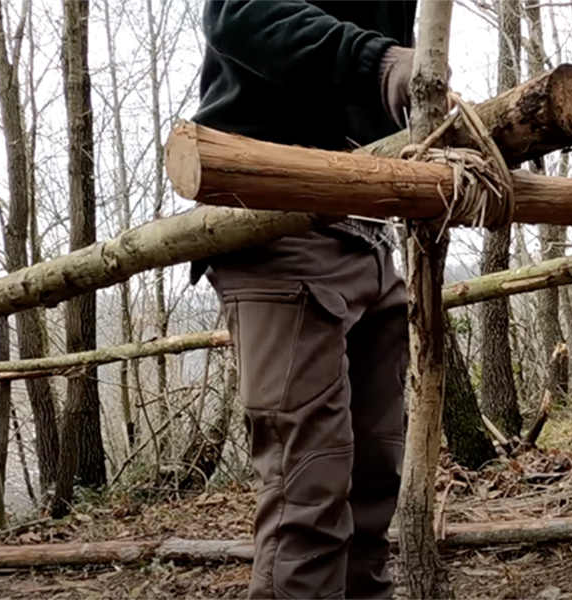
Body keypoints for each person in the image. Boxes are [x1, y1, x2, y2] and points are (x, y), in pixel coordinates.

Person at [189, 2, 418, 598]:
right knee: (307, 501)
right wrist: (382, 64)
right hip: (273, 226)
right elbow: (238, 13)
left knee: (372, 491)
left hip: (370, 231)